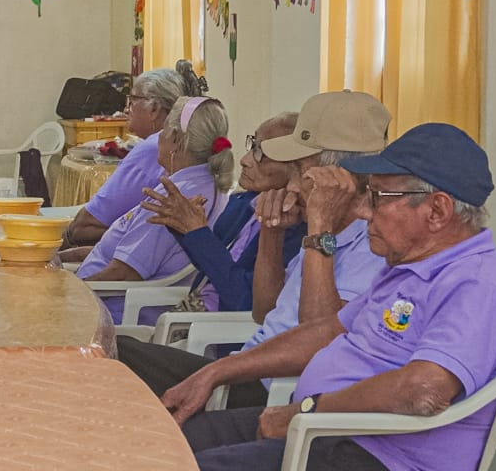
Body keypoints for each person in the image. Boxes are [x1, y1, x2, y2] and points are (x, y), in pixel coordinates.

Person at [182, 124, 496, 471]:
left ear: (437, 210)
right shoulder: (407, 268)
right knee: (174, 441)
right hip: (334, 436)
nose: (366, 211)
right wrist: (215, 372)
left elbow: (424, 390)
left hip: (391, 470)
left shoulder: (480, 284)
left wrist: (305, 412)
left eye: (379, 197)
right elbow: (326, 331)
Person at [125, 91, 392, 405]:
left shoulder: (367, 243)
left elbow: (320, 336)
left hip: (272, 387)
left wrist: (319, 228)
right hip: (247, 364)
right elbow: (264, 310)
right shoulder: (276, 212)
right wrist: (271, 230)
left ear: (338, 177)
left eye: (300, 170)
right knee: (116, 353)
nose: (292, 185)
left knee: (121, 362)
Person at [68, 96, 233, 325]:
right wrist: (65, 258)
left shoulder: (175, 199)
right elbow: (122, 250)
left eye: (163, 131)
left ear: (175, 140)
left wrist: (68, 294)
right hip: (102, 297)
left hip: (106, 313)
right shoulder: (202, 183)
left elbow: (123, 273)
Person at [140, 111, 304, 314]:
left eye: (261, 153)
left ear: (299, 167)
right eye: (253, 146)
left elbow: (244, 300)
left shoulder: (297, 228)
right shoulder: (244, 203)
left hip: (223, 326)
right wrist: (183, 226)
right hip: (195, 307)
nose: (245, 160)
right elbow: (210, 266)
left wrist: (198, 233)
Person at [63, 61, 206, 247]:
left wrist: (64, 237)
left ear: (154, 109)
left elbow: (83, 227)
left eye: (132, 101)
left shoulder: (152, 149)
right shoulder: (187, 143)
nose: (125, 110)